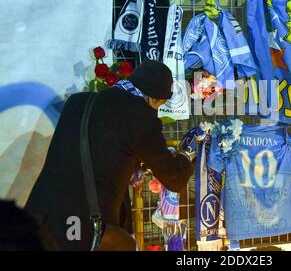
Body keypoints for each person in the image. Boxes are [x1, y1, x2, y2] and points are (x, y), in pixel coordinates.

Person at [25, 60, 195, 250]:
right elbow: (175, 179)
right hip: (77, 230)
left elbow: (102, 150)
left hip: (37, 217)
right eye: (161, 104)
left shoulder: (78, 102)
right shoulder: (142, 119)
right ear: (155, 99)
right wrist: (186, 154)